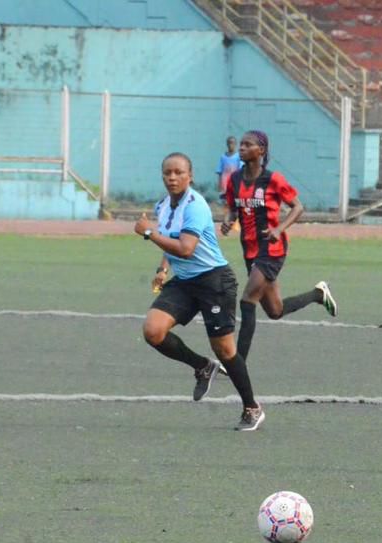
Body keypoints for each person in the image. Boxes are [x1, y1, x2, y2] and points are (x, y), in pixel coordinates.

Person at [135, 152, 265, 432]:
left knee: (226, 349)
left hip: (214, 281)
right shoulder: (164, 206)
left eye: (178, 172)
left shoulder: (196, 206)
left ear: (190, 176)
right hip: (184, 281)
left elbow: (186, 248)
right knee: (153, 331)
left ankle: (252, 408)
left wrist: (148, 233)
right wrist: (162, 268)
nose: (172, 177)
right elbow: (170, 242)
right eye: (167, 173)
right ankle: (203, 367)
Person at [220, 130, 337, 361]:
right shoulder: (234, 179)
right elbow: (234, 208)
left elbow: (298, 207)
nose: (241, 148)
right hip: (250, 249)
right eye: (241, 144)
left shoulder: (273, 179)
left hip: (272, 250)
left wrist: (278, 229)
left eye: (247, 144)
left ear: (260, 151)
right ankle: (317, 294)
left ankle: (237, 362)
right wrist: (228, 221)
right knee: (275, 311)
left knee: (247, 300)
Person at [215, 136, 240, 203]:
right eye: (229, 143)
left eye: (232, 143)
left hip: (234, 179)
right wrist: (219, 183)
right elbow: (220, 171)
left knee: (234, 196)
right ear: (227, 144)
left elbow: (241, 170)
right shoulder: (223, 157)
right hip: (224, 180)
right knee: (224, 197)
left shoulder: (238, 156)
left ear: (235, 144)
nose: (230, 145)